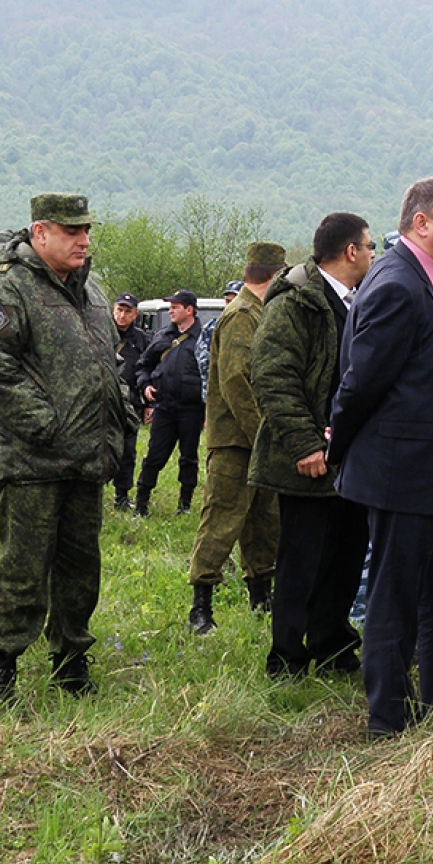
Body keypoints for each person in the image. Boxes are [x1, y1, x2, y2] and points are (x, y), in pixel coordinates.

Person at [329, 177, 433, 737]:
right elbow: (360, 384)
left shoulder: (425, 281)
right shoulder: (397, 285)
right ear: (422, 223)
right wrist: (338, 450)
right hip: (402, 474)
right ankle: (386, 719)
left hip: (429, 476)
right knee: (394, 597)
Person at [0, 193, 130, 705]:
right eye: (71, 231)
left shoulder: (94, 294)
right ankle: (3, 666)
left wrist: (119, 417)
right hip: (34, 460)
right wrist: (46, 425)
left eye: (86, 231)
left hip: (87, 458)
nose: (84, 240)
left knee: (82, 568)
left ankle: (71, 661)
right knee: (24, 567)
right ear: (40, 234)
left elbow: (109, 365)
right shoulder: (6, 290)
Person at [253, 212, 373, 678]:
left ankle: (332, 645)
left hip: (350, 460)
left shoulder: (358, 301)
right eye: (368, 247)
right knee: (302, 561)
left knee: (345, 557)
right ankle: (286, 657)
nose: (371, 255)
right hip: (305, 463)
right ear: (349, 252)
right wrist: (305, 445)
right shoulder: (295, 303)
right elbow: (271, 376)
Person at [187, 243, 287, 634]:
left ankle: (261, 596)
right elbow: (235, 381)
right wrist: (265, 434)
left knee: (265, 520)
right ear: (274, 275)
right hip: (235, 440)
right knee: (222, 519)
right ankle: (201, 607)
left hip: (255, 438)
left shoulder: (259, 312)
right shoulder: (242, 315)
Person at [134, 289, 205, 516]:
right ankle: (141, 505)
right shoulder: (163, 336)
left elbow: (212, 374)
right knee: (154, 456)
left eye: (175, 307)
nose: (171, 310)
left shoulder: (203, 339)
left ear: (189, 309)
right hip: (164, 407)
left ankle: (184, 505)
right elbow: (143, 365)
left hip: (191, 410)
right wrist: (145, 386)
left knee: (188, 458)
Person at [111, 293, 150, 513]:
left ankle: (122, 495)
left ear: (135, 314)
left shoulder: (142, 340)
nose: (122, 315)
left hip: (130, 403)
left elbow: (147, 370)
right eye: (119, 310)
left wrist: (146, 404)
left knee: (127, 451)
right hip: (102, 400)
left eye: (127, 311)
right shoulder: (101, 333)